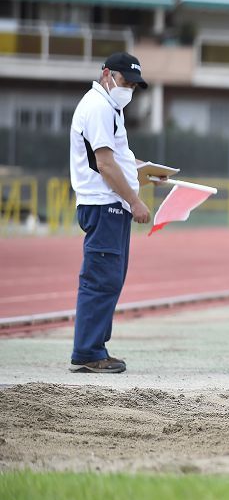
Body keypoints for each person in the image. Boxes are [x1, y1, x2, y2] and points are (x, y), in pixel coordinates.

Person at [68, 52, 152, 374]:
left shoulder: (109, 107)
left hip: (110, 204)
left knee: (110, 278)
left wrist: (143, 170)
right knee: (101, 279)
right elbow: (104, 164)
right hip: (105, 205)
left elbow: (113, 158)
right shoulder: (99, 107)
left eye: (133, 84)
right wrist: (135, 200)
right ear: (106, 74)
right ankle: (88, 351)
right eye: (125, 81)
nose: (128, 89)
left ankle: (95, 348)